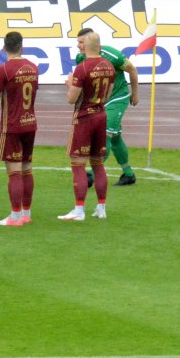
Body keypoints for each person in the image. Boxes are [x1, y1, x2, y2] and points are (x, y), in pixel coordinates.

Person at [0, 31, 38, 227]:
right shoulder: (33, 68)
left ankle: (15, 217)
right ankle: (26, 213)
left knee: (14, 172)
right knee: (27, 169)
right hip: (30, 122)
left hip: (12, 126)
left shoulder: (4, 70)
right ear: (22, 47)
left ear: (4, 48)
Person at [59, 32, 115, 221]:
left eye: (80, 43)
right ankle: (101, 207)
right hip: (101, 115)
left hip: (84, 118)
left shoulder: (82, 68)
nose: (78, 45)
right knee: (98, 163)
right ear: (99, 46)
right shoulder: (109, 66)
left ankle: (79, 210)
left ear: (86, 46)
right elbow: (107, 95)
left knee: (78, 164)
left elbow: (71, 99)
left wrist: (69, 85)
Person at [75, 28, 138, 186]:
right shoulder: (80, 58)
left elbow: (132, 69)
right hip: (100, 101)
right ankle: (128, 174)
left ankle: (91, 175)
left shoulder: (112, 55)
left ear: (90, 42)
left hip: (117, 98)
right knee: (115, 138)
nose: (78, 45)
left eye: (81, 42)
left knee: (105, 134)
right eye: (78, 42)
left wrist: (135, 93)